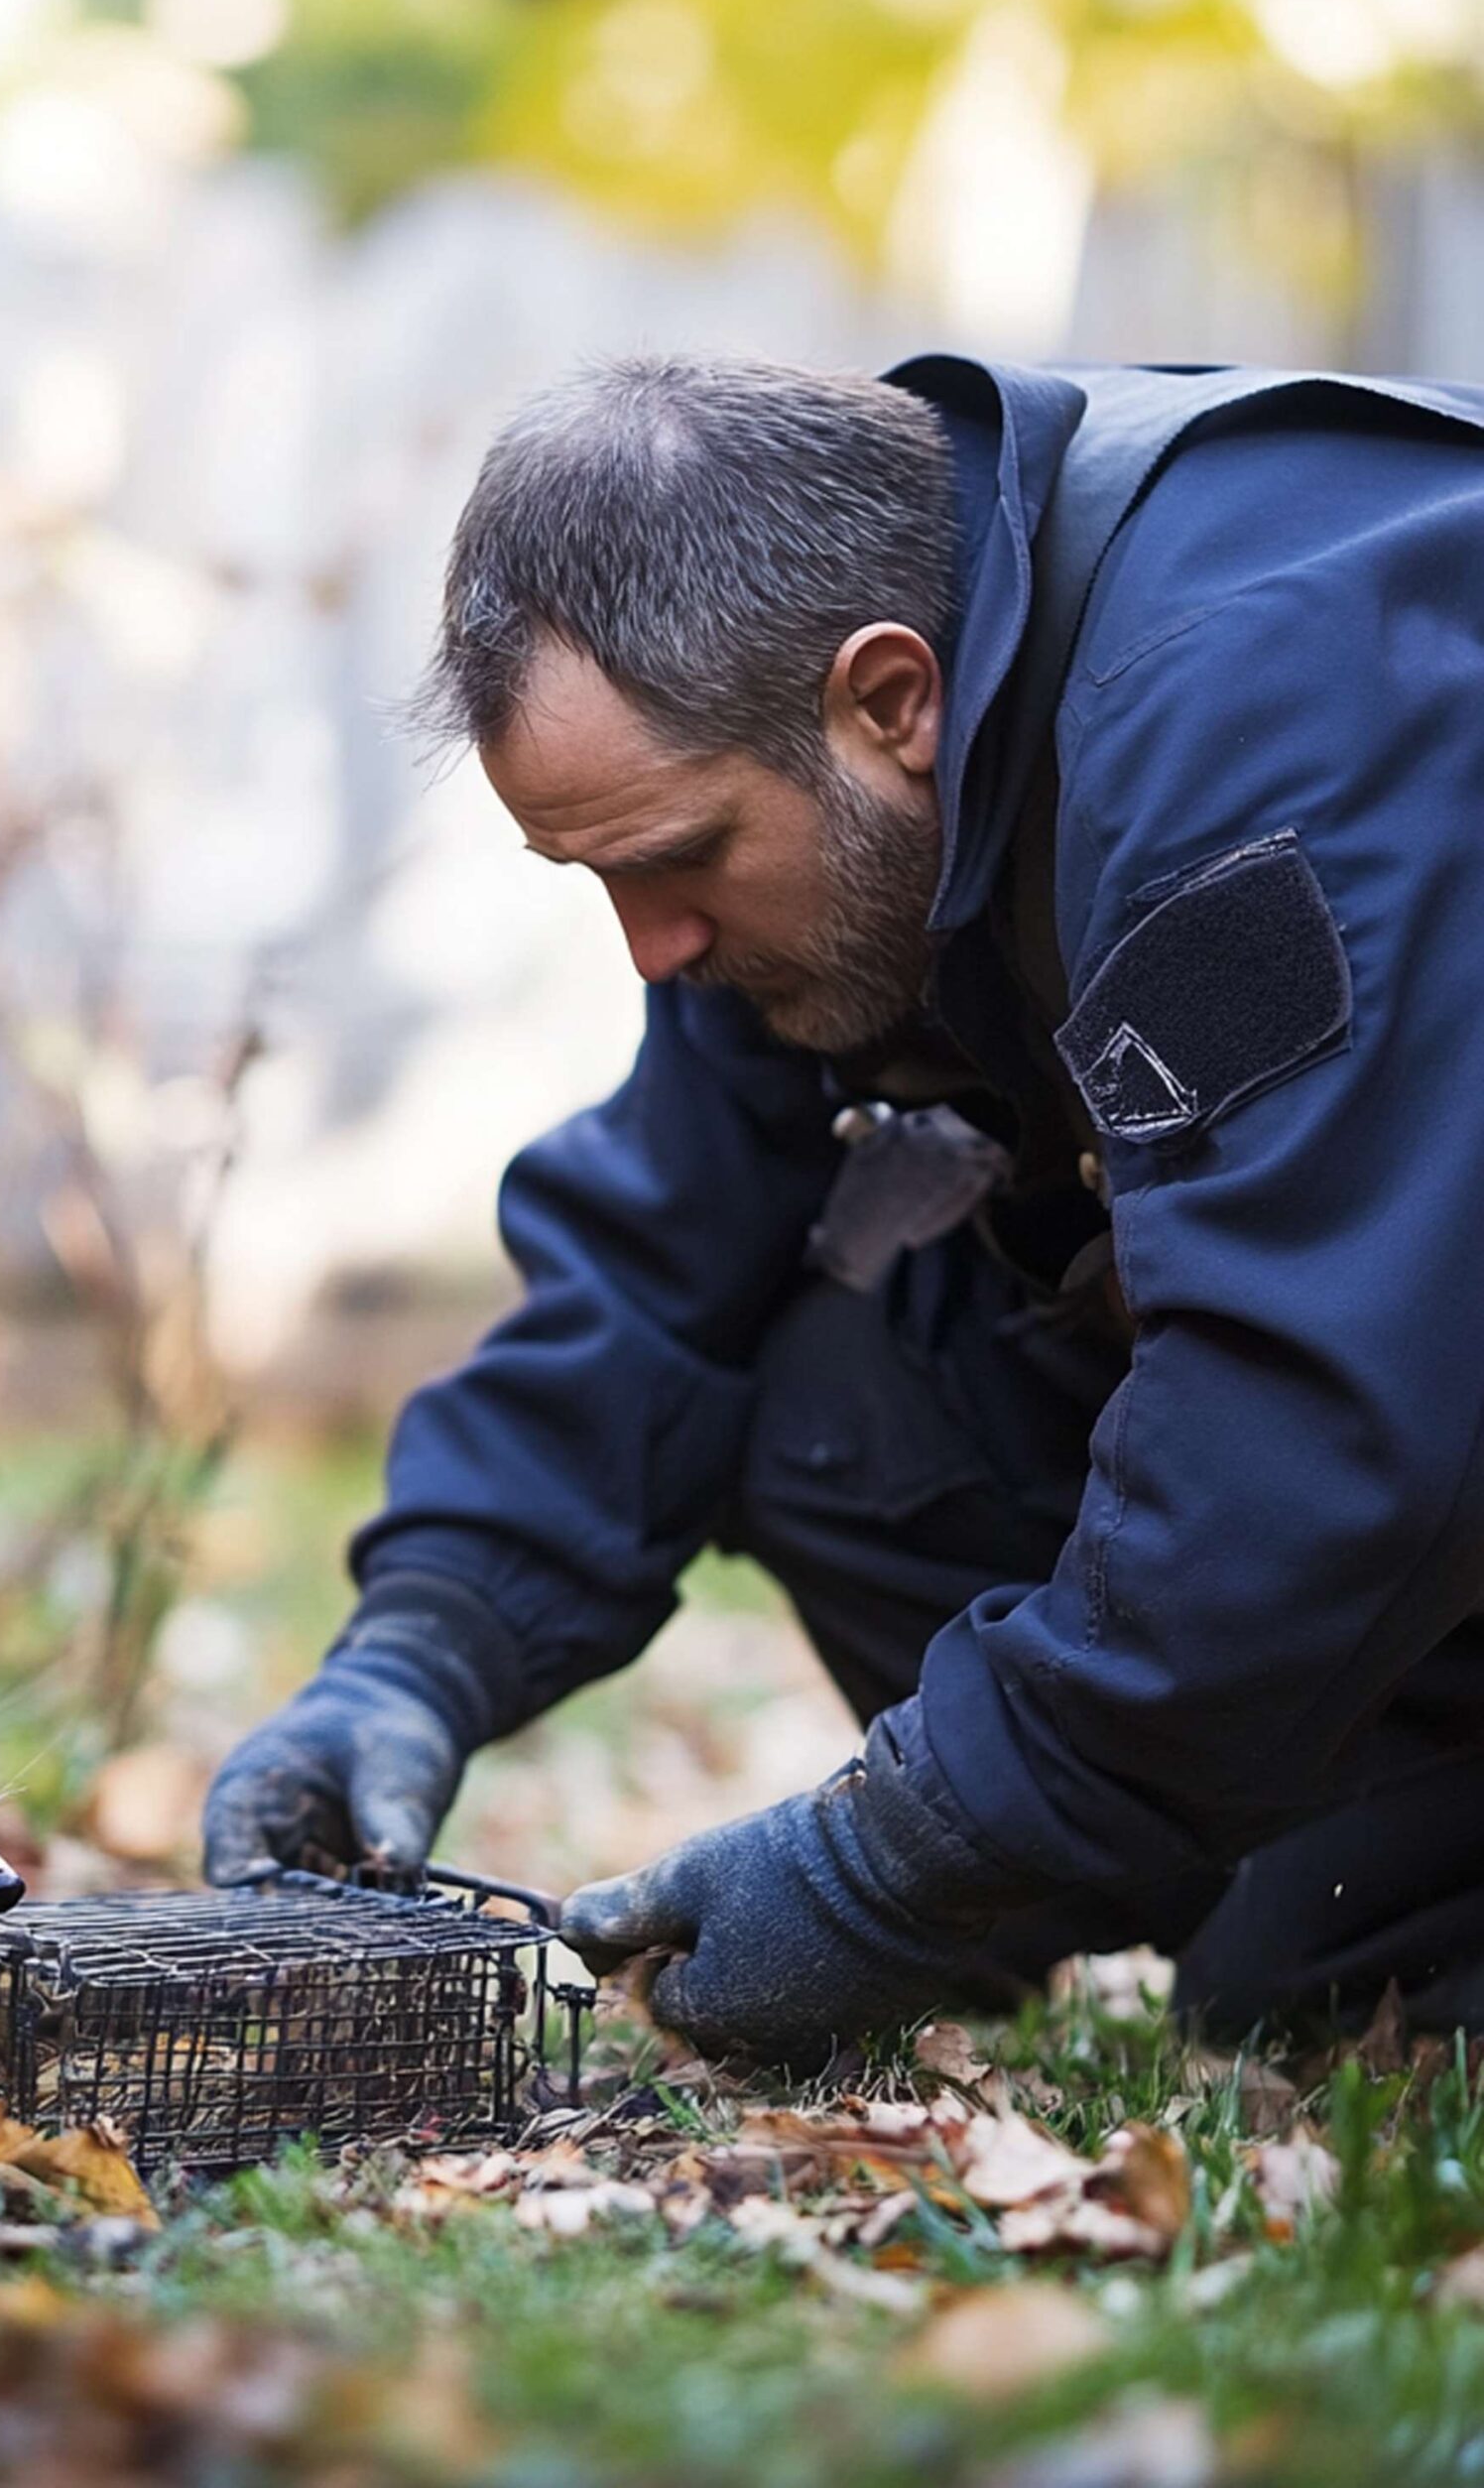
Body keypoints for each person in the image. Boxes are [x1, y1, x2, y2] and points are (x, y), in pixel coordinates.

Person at [198, 350, 1484, 2068]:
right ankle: (1318, 1882)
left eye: (677, 856)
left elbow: (1321, 1406)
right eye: (597, 879)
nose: (649, 945)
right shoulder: (875, 770)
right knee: (827, 1381)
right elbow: (666, 1265)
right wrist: (420, 1650)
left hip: (1419, 1416)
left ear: (890, 698)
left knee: (1322, 1991)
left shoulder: (1264, 721)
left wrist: (896, 1862)